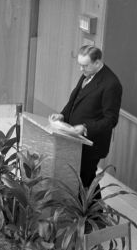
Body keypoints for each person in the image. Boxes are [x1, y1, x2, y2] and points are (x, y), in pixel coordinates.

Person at [50, 45, 122, 193]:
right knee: (79, 180)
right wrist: (63, 114)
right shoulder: (88, 73)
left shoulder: (111, 84)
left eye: (85, 66)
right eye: (80, 65)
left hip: (91, 143)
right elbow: (75, 99)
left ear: (97, 62)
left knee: (85, 181)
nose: (81, 70)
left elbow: (111, 120)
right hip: (74, 138)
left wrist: (85, 127)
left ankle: (93, 216)